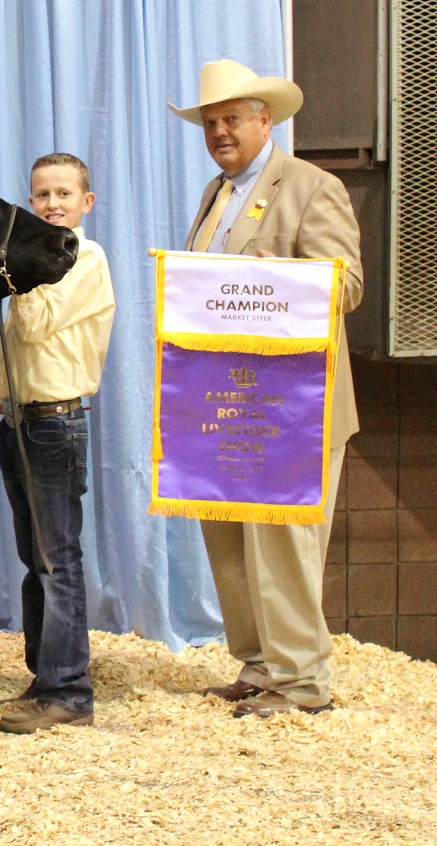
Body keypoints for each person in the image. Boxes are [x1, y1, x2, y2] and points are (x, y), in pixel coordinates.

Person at [168, 58, 363, 718]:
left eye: (231, 120)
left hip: (293, 407)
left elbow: (350, 285)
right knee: (228, 540)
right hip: (224, 400)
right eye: (210, 122)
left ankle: (303, 682)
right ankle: (259, 664)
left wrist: (289, 278)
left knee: (282, 545)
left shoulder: (311, 186)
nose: (220, 132)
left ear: (265, 121)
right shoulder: (216, 193)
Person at [0, 152, 116, 734]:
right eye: (41, 195)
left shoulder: (83, 258)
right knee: (33, 556)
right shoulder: (42, 257)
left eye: (64, 193)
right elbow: (20, 341)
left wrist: (14, 269)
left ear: (86, 203)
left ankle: (70, 691)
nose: (52, 204)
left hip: (54, 423)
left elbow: (35, 321)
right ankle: (46, 675)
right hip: (20, 416)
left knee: (56, 558)